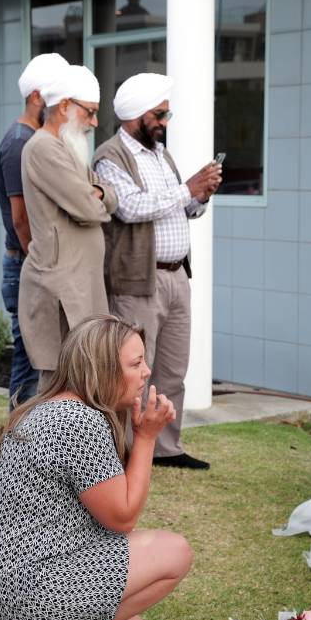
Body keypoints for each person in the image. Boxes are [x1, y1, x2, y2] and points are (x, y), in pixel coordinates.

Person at [0, 315, 194, 620]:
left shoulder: (57, 407)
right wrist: (148, 437)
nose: (146, 371)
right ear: (101, 369)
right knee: (175, 552)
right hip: (28, 583)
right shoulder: (76, 421)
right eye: (135, 364)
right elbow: (122, 518)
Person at [93, 73, 221, 471]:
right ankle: (126, 452)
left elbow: (177, 208)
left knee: (172, 368)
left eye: (167, 113)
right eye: (159, 114)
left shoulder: (160, 155)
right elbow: (130, 208)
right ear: (135, 115)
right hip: (137, 281)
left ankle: (167, 448)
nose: (165, 121)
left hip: (176, 275)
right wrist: (187, 189)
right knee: (132, 373)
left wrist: (199, 197)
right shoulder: (110, 156)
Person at [18, 64, 118, 388]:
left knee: (87, 385)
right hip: (62, 290)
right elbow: (91, 209)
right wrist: (96, 195)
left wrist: (98, 192)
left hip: (80, 285)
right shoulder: (42, 148)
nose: (95, 122)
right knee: (60, 390)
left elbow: (110, 197)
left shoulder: (69, 146)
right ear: (63, 106)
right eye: (89, 112)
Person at [0, 53, 69, 406]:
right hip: (26, 266)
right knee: (29, 364)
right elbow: (21, 218)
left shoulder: (35, 139)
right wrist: (41, 263)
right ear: (37, 96)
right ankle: (16, 449)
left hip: (31, 264)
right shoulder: (20, 143)